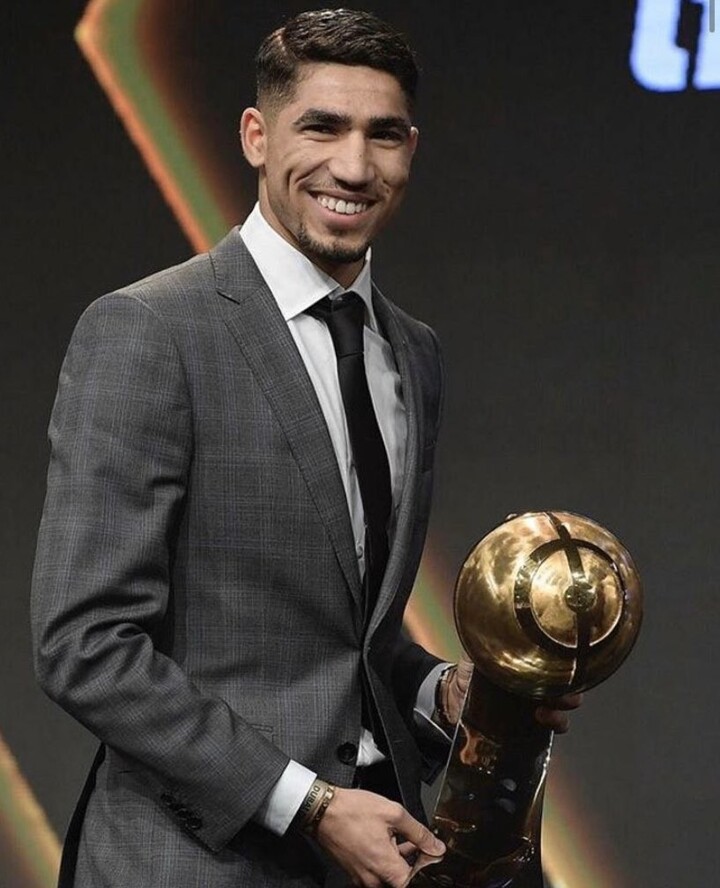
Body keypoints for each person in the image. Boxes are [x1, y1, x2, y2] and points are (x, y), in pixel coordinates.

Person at [31, 9, 580, 888]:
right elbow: (86, 646)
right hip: (189, 864)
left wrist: (445, 694)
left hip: (375, 854)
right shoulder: (150, 331)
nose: (354, 167)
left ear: (411, 149)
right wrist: (311, 804)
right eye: (321, 127)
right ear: (256, 135)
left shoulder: (413, 353)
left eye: (383, 135)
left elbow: (342, 639)